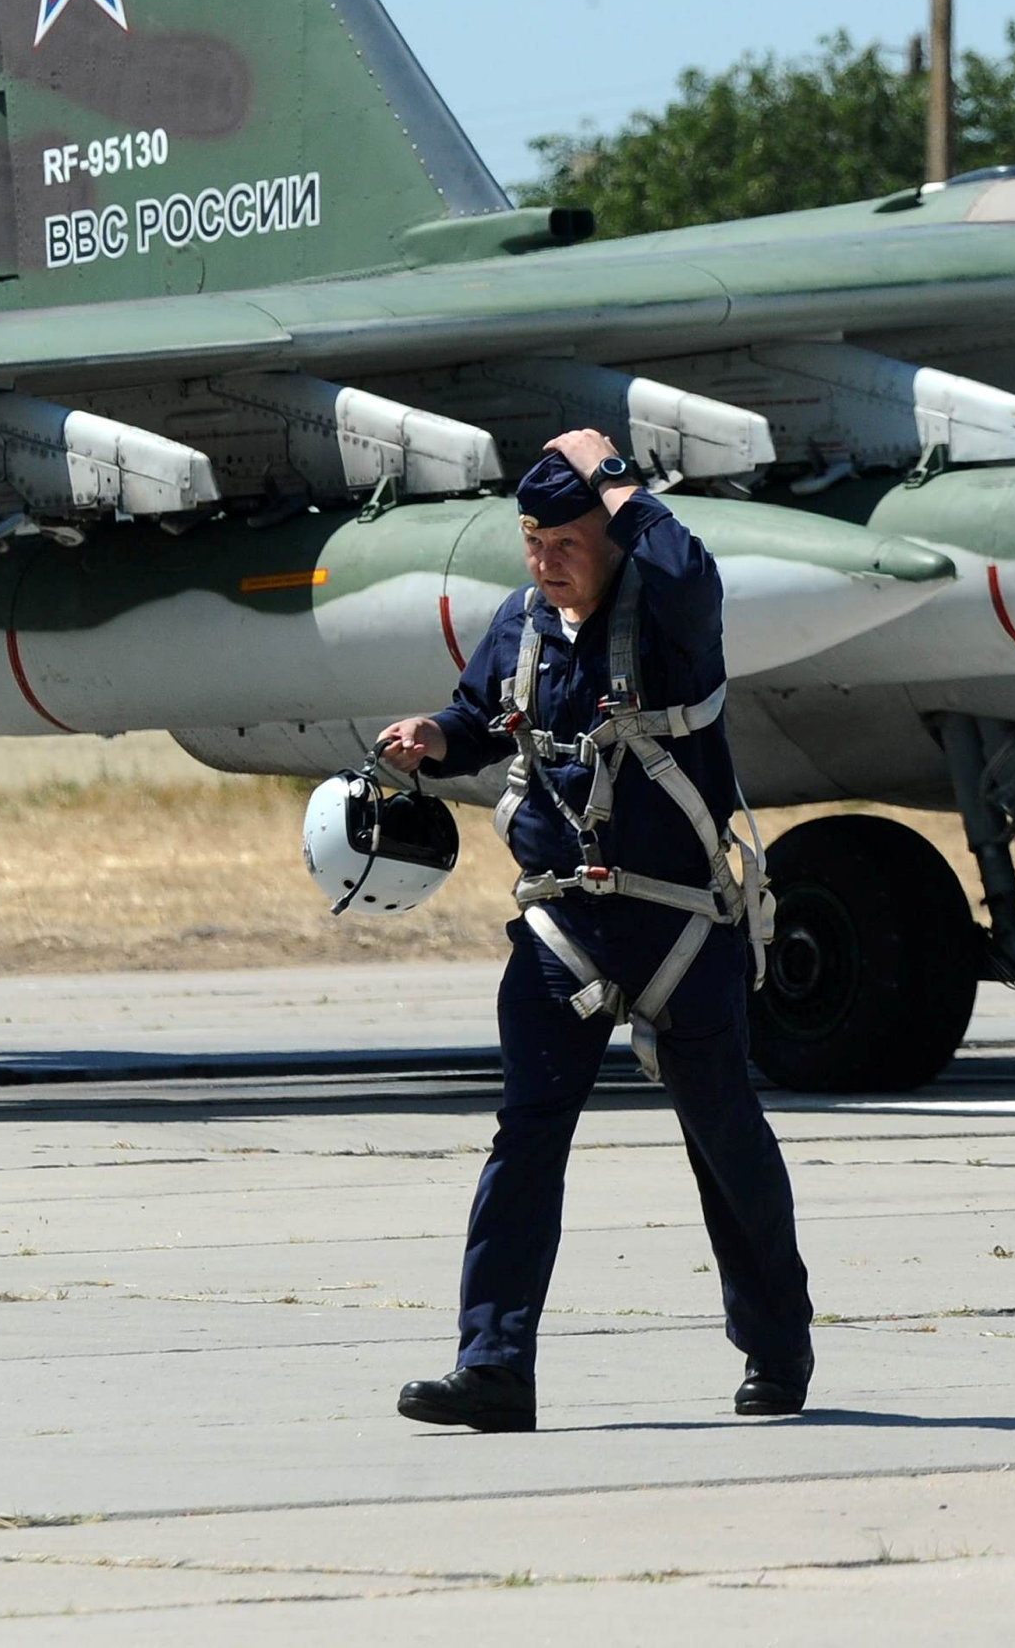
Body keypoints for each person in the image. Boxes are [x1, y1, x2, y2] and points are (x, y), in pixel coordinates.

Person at [377, 432, 813, 1433]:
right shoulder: (521, 624)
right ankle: (492, 1366)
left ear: (611, 536)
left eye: (566, 541)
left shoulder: (669, 613)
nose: (545, 561)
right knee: (524, 1137)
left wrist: (616, 477)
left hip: (678, 928)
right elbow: (478, 714)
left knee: (722, 1137)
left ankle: (776, 1346)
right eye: (532, 540)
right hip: (561, 928)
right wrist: (437, 737)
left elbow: (684, 560)